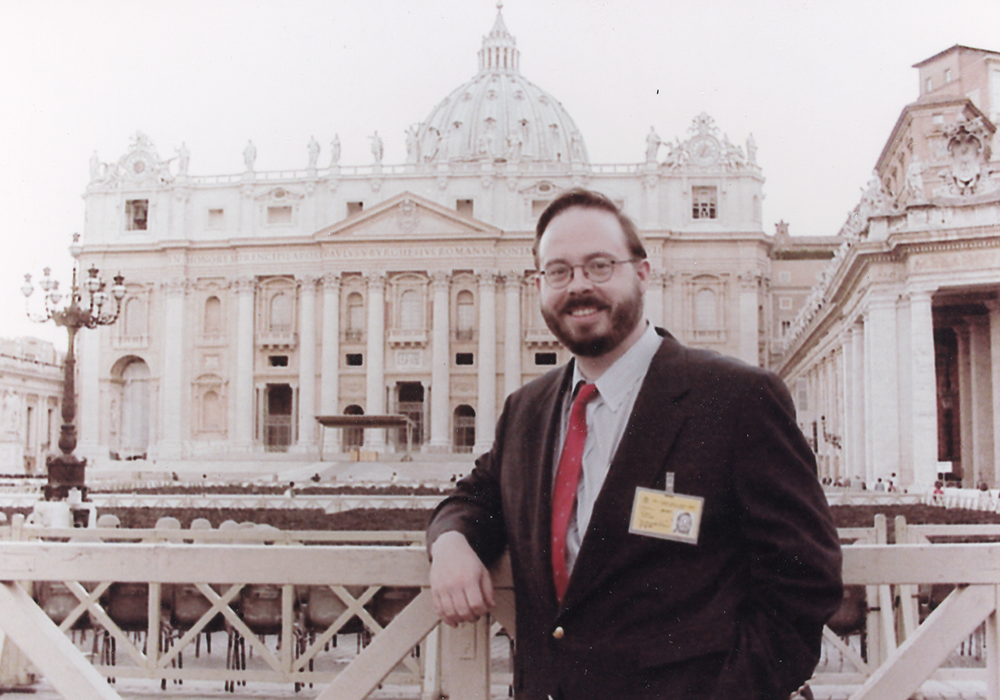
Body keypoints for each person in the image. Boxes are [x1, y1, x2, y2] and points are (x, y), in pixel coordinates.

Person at [427, 188, 843, 700]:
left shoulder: (737, 398)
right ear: (538, 285)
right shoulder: (526, 410)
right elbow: (475, 498)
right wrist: (449, 544)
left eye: (600, 266)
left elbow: (805, 580)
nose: (579, 287)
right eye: (559, 272)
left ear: (643, 273)